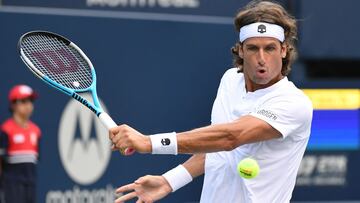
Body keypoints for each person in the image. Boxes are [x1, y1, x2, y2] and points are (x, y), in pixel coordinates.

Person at [110, 1, 313, 203]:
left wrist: (149, 142)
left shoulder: (293, 103)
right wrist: (169, 181)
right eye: (253, 48)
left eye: (270, 48)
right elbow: (217, 148)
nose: (261, 58)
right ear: (241, 50)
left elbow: (229, 138)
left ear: (284, 50)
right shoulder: (230, 80)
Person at [0, 85, 41, 203]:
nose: (28, 105)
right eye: (23, 101)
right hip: (11, 186)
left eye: (31, 101)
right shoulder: (6, 130)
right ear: (13, 105)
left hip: (30, 185)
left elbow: (34, 160)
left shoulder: (36, 131)